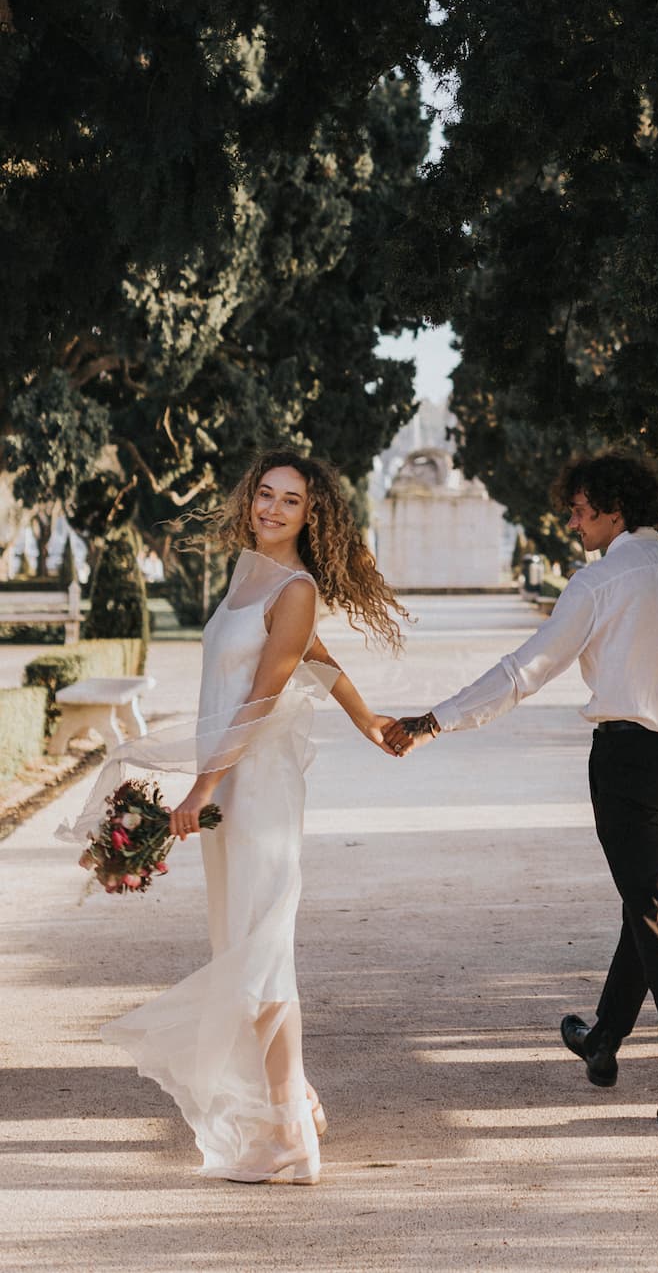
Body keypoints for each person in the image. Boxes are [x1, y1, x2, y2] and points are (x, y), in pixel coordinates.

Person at [385, 452, 658, 1132]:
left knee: (657, 913)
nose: (570, 521)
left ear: (613, 511)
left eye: (579, 509)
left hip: (627, 761)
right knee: (649, 904)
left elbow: (523, 672)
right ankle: (604, 1038)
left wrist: (435, 720)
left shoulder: (599, 583)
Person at [59, 449, 406, 1183]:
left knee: (260, 953)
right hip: (229, 787)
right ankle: (297, 1101)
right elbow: (318, 658)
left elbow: (262, 695)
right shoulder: (250, 573)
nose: (274, 509)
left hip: (257, 792)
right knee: (245, 944)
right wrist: (369, 722)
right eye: (267, 495)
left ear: (314, 517)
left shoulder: (297, 585)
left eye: (293, 502)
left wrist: (201, 787)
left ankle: (288, 1137)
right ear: (250, 498)